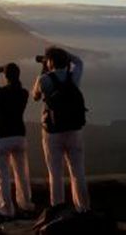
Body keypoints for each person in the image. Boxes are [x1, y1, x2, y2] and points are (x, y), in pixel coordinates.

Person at [32, 46, 90, 212]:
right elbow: (79, 61)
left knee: (55, 173)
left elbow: (35, 97)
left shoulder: (44, 80)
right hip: (74, 130)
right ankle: (83, 209)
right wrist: (63, 54)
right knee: (78, 171)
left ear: (50, 62)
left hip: (52, 132)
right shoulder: (73, 77)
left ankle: (57, 209)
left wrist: (44, 67)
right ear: (66, 61)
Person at [0, 62, 34, 220]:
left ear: (6, 77)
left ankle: (6, 210)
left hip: (1, 138)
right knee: (22, 173)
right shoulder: (24, 93)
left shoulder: (0, 93)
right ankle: (26, 204)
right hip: (19, 136)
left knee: (2, 176)